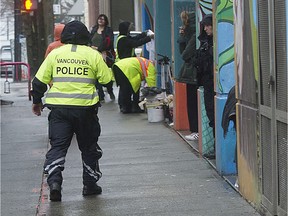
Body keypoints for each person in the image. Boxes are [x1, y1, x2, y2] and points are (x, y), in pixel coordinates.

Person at [31, 20, 113, 202]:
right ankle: (90, 185)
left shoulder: (55, 54)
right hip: (86, 111)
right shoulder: (92, 54)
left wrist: (36, 101)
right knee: (88, 148)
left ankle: (54, 183)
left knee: (58, 147)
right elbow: (107, 80)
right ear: (86, 36)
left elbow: (38, 82)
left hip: (59, 111)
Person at [177, 11, 200, 141]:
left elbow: (184, 54)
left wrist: (182, 38)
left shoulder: (193, 36)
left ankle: (195, 129)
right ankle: (195, 129)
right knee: (192, 101)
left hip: (192, 73)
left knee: (192, 102)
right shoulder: (193, 34)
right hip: (193, 73)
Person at [195, 14, 215, 158]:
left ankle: (216, 147)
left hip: (212, 82)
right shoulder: (205, 42)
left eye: (209, 25)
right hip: (207, 82)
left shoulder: (214, 43)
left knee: (214, 115)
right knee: (210, 114)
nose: (207, 28)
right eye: (205, 26)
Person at [90, 14, 115, 101]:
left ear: (106, 21)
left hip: (105, 55)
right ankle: (100, 94)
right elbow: (89, 40)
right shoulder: (94, 29)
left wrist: (99, 48)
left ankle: (110, 90)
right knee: (96, 75)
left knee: (106, 74)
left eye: (103, 19)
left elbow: (109, 42)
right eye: (99, 18)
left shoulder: (108, 30)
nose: (101, 20)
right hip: (93, 55)